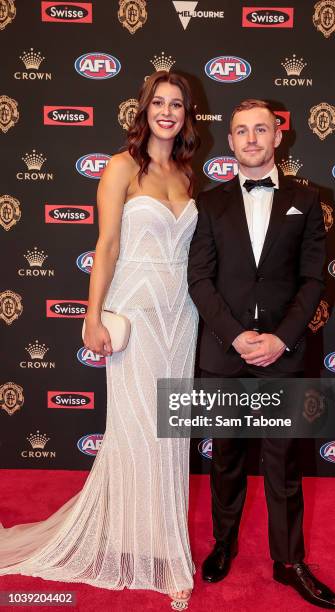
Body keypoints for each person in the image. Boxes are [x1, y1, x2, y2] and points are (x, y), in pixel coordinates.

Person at [0, 71, 199, 610]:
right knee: (136, 430)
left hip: (182, 317)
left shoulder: (185, 172)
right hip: (133, 310)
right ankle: (142, 550)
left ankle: (163, 545)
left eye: (176, 104)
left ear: (187, 114)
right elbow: (107, 245)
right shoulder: (121, 167)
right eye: (158, 102)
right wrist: (93, 317)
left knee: (171, 433)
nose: (167, 111)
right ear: (144, 109)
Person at [188, 99, 335, 609]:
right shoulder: (209, 204)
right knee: (226, 457)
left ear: (279, 137)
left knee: (282, 464)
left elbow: (314, 279)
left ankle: (288, 561)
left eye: (261, 130)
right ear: (229, 142)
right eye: (240, 131)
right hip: (224, 354)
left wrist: (282, 338)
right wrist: (235, 336)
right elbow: (200, 280)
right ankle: (224, 543)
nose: (251, 139)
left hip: (284, 353)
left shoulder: (309, 198)